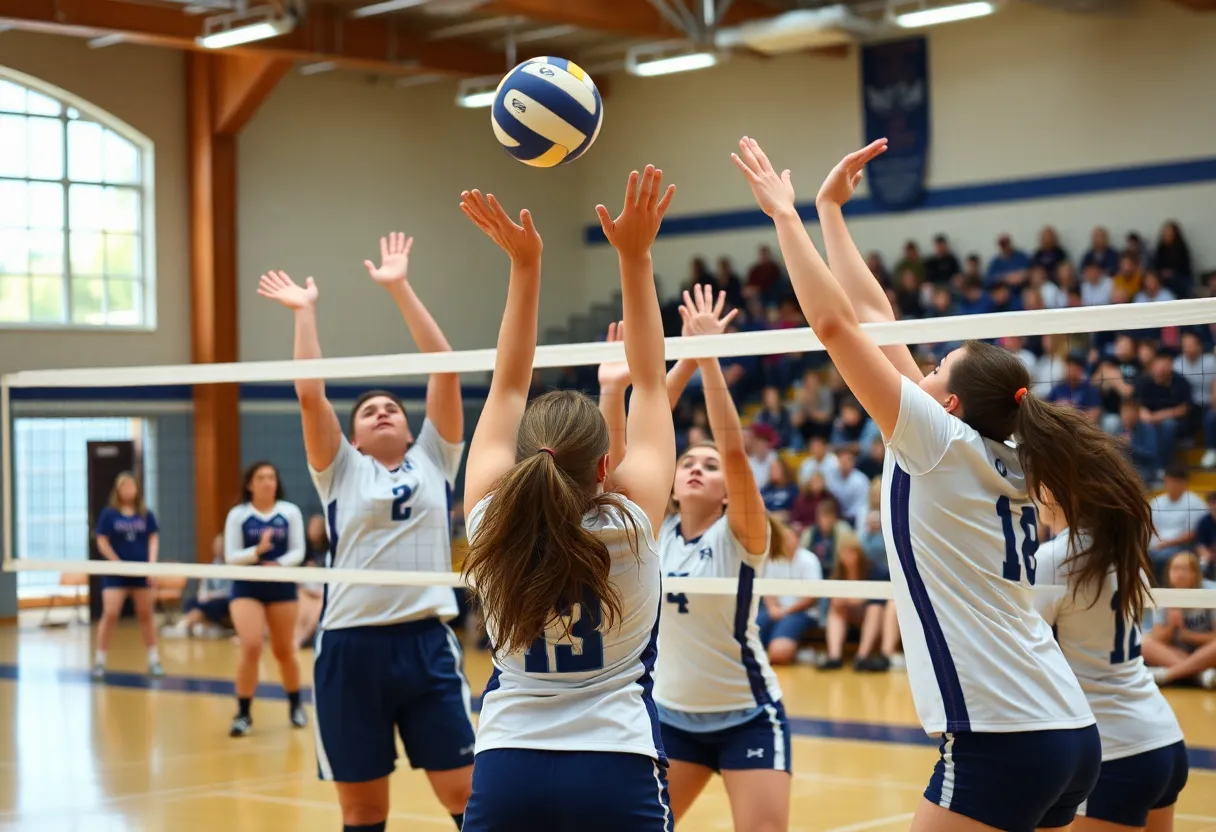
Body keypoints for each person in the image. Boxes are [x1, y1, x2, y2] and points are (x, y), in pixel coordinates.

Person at [734, 136, 1144, 831]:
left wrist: (785, 216)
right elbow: (875, 318)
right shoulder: (997, 447)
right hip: (1069, 731)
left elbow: (837, 324)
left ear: (947, 402)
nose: (916, 370)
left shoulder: (938, 442)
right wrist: (831, 211)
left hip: (1001, 737)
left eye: (932, 368)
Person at [457, 168, 677, 831]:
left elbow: (505, 386)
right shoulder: (633, 519)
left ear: (521, 462)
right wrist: (635, 259)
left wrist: (526, 267)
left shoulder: (489, 518)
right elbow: (651, 383)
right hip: (616, 762)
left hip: (507, 764)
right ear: (606, 465)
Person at [257, 231, 473, 831]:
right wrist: (305, 314)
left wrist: (400, 288)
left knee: (465, 793)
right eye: (369, 411)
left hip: (425, 643)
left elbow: (446, 370)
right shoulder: (341, 470)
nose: (383, 411)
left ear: (411, 431)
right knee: (363, 809)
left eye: (393, 409)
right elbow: (309, 396)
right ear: (352, 438)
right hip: (351, 647)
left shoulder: (434, 459)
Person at [645, 282, 790, 831]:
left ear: (728, 489)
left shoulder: (741, 535)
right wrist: (684, 353)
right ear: (673, 483)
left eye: (709, 465)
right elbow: (646, 425)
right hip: (671, 719)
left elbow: (733, 448)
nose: (696, 467)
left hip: (748, 716)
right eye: (687, 463)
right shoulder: (651, 533)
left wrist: (708, 357)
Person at [1034, 498, 1189, 832]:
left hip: (1115, 751)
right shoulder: (1123, 550)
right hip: (1164, 739)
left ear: (1059, 492)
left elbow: (1023, 649)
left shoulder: (1054, 558)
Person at [223, 461, 306, 737]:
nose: (267, 482)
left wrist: (279, 565)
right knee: (251, 646)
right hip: (247, 586)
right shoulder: (239, 515)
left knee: (284, 651)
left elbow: (299, 551)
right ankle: (243, 713)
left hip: (281, 587)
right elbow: (230, 556)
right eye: (261, 477)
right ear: (250, 484)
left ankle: (296, 705)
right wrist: (256, 553)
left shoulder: (289, 512)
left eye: (271, 477)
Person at [91, 471, 163, 679]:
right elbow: (102, 540)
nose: (128, 490)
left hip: (141, 571)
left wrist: (151, 566)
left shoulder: (145, 514)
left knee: (146, 614)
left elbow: (153, 538)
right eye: (124, 486)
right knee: (111, 613)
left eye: (132, 486)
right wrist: (116, 563)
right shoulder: (109, 514)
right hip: (117, 573)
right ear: (118, 489)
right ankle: (100, 661)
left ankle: (153, 660)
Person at [758, 516, 822, 666]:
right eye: (782, 537)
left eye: (788, 537)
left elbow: (812, 596)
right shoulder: (772, 559)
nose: (785, 541)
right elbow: (767, 588)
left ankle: (793, 652)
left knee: (780, 653)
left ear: (797, 539)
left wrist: (787, 610)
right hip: (774, 611)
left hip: (801, 612)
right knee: (742, 640)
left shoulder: (809, 560)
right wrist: (773, 608)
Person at [163, 534, 232, 639]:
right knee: (192, 602)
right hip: (209, 598)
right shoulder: (214, 564)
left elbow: (229, 590)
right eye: (216, 546)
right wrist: (202, 594)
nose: (218, 549)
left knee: (211, 606)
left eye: (220, 546)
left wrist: (212, 595)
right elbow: (205, 584)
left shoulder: (231, 565)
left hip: (223, 599)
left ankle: (183, 626)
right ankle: (209, 627)